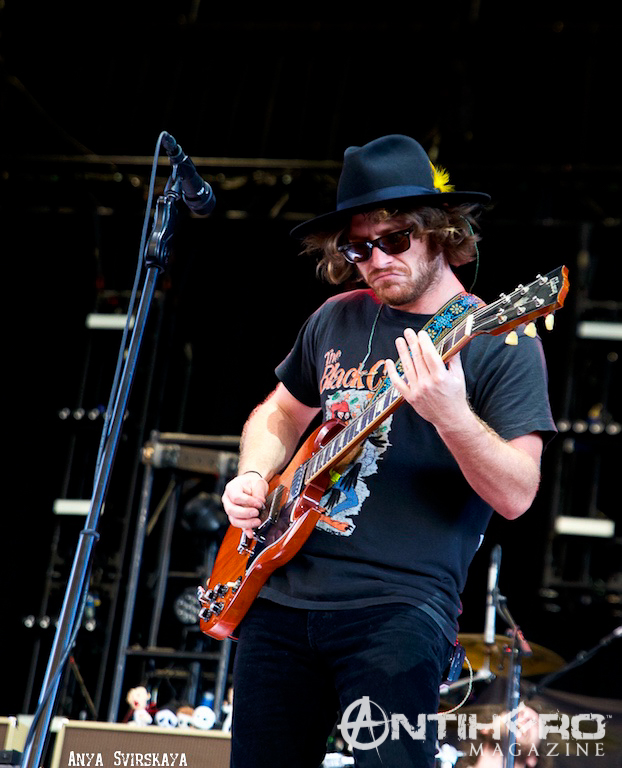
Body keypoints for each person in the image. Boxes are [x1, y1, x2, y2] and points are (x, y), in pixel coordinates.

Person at [221, 134, 557, 767]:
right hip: (280, 598)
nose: (375, 260)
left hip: (399, 610)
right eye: (358, 248)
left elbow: (518, 493)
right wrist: (255, 474)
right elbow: (279, 413)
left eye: (395, 239)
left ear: (440, 233)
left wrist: (451, 416)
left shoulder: (500, 341)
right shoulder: (337, 316)